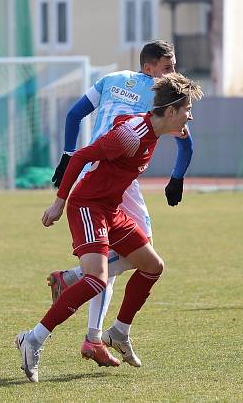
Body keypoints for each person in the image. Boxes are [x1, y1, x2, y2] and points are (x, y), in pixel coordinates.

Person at [15, 73, 203, 382]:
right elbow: (82, 157)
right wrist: (59, 203)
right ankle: (32, 339)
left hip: (111, 209)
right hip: (88, 205)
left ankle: (118, 331)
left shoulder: (152, 131)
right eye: (187, 109)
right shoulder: (133, 133)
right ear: (170, 112)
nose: (190, 116)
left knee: (152, 266)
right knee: (97, 280)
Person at [47, 39, 193, 367]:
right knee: (144, 255)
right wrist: (177, 177)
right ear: (149, 68)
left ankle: (94, 338)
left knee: (110, 262)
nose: (173, 74)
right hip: (117, 173)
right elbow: (186, 142)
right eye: (168, 68)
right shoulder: (162, 97)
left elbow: (74, 115)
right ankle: (72, 280)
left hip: (91, 165)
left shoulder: (110, 80)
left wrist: (68, 154)